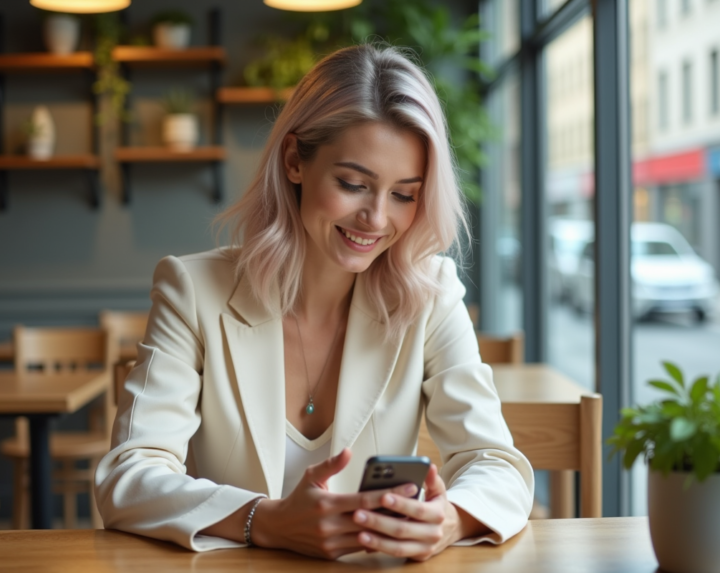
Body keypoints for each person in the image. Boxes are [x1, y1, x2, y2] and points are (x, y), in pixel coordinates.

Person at [95, 44, 534, 561]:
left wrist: (450, 521)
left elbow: (495, 463)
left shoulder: (431, 294)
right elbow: (129, 476)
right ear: (294, 161)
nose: (375, 217)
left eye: (404, 194)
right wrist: (264, 521)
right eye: (353, 184)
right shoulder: (193, 290)